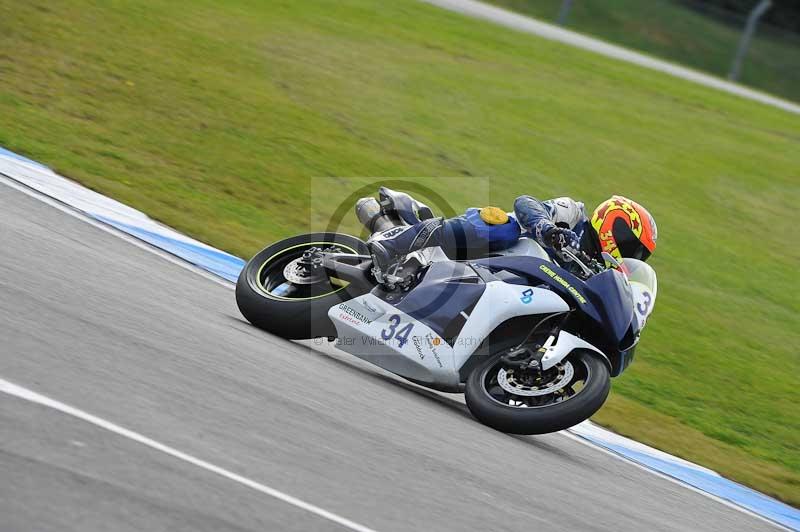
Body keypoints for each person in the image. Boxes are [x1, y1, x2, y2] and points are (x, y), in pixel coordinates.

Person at [365, 194, 657, 275]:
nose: (630, 255)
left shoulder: (594, 273)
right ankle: (393, 242)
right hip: (494, 244)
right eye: (632, 246)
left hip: (508, 282)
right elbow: (525, 202)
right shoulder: (574, 213)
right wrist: (549, 230)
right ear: (614, 223)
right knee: (505, 228)